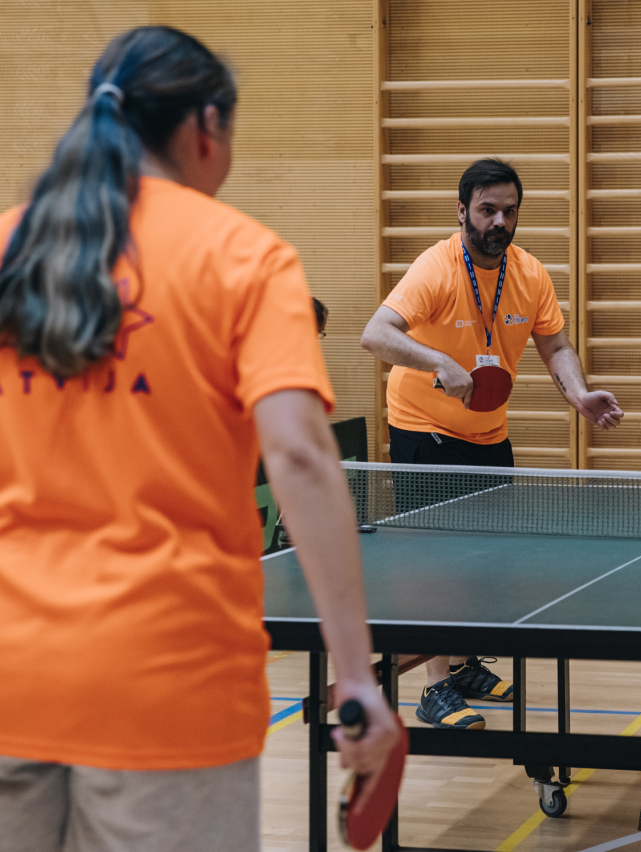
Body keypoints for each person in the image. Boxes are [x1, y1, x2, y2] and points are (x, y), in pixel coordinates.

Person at [0, 27, 399, 851]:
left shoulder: (11, 246)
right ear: (206, 127)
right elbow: (299, 455)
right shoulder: (247, 259)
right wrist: (356, 674)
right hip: (170, 685)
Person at [361, 158, 623, 730]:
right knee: (433, 563)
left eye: (509, 211)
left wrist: (578, 395)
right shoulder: (435, 268)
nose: (499, 221)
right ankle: (434, 688)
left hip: (488, 432)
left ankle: (462, 665)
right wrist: (437, 361)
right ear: (462, 212)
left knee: (481, 561)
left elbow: (556, 346)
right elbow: (374, 334)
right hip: (424, 430)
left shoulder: (529, 274)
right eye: (487, 210)